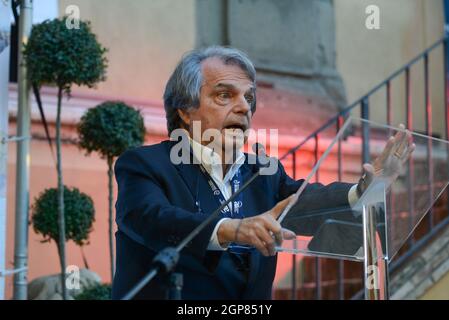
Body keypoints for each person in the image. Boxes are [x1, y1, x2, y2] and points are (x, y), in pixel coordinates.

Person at [111, 46, 414, 300]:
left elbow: (306, 202)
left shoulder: (263, 172)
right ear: (186, 111)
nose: (244, 107)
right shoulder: (144, 164)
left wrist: (364, 188)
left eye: (249, 97)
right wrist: (231, 228)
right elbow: (152, 219)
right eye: (224, 96)